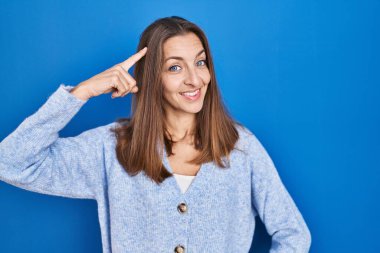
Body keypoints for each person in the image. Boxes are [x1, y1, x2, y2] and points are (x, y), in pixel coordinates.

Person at [0, 16, 311, 252]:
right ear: (151, 77)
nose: (195, 79)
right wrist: (81, 93)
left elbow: (293, 234)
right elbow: (10, 162)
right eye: (175, 68)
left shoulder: (240, 147)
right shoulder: (112, 148)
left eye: (200, 63)